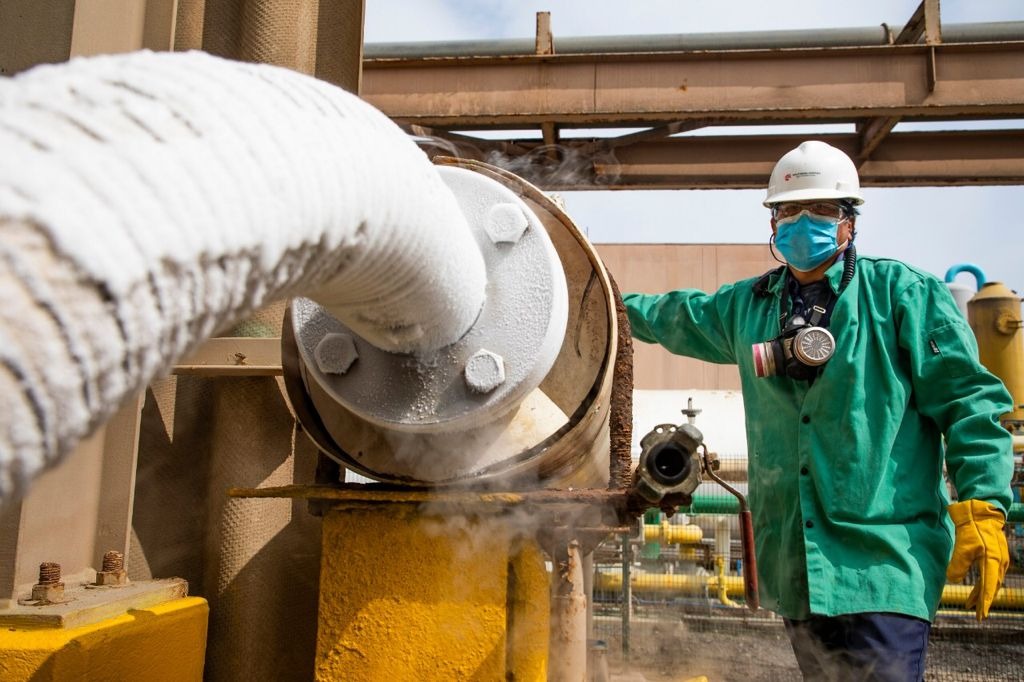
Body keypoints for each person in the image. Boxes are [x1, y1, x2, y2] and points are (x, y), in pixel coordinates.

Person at [622, 140, 1013, 681]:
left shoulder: (903, 295)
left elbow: (969, 403)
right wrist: (593, 296)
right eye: (789, 211)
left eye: (822, 209)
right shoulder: (747, 307)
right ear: (773, 223)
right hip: (798, 567)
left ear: (849, 222)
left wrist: (984, 505)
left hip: (884, 563)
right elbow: (672, 316)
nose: (803, 222)